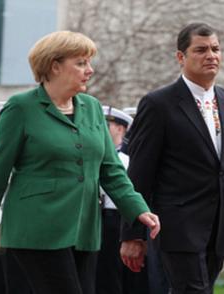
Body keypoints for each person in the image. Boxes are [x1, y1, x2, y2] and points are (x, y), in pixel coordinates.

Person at [0, 30, 160, 294]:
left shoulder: (92, 107)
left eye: (89, 62)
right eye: (81, 63)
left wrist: (137, 208)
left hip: (83, 227)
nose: (90, 70)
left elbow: (110, 169)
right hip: (36, 228)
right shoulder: (21, 108)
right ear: (54, 66)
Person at [120, 22, 224, 293]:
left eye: (216, 49)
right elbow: (140, 172)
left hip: (219, 226)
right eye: (200, 50)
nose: (211, 55)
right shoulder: (158, 104)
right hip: (176, 226)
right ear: (181, 57)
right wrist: (132, 234)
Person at [96, 106, 148, 294]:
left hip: (117, 219)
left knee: (120, 277)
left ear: (120, 128)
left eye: (106, 124)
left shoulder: (126, 160)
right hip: (97, 219)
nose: (100, 127)